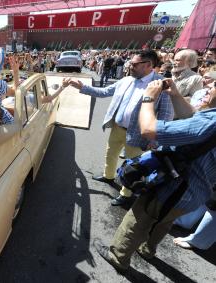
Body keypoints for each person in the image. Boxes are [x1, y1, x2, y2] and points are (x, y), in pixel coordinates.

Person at [95, 78, 216, 273]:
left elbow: (149, 129)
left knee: (139, 216)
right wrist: (175, 94)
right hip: (195, 193)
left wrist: (147, 98)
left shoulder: (212, 122)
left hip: (174, 187)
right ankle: (147, 249)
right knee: (164, 221)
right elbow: (193, 118)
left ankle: (118, 256)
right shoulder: (210, 118)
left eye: (215, 85)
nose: (209, 86)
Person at [70, 50, 174, 206]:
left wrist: (156, 138)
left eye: (133, 64)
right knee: (110, 153)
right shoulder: (126, 80)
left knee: (133, 166)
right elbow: (105, 92)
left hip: (138, 134)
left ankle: (126, 194)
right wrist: (83, 87)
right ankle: (108, 175)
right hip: (117, 128)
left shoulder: (161, 85)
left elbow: (166, 114)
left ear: (148, 65)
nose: (129, 66)